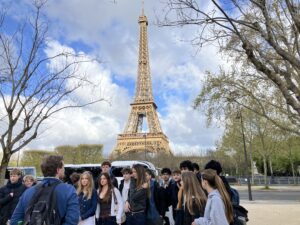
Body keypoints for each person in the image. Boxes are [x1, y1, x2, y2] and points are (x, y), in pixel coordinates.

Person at [10, 155, 80, 225]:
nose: (64, 170)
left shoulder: (28, 192)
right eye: (63, 167)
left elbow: (14, 220)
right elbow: (72, 221)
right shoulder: (69, 190)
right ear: (58, 170)